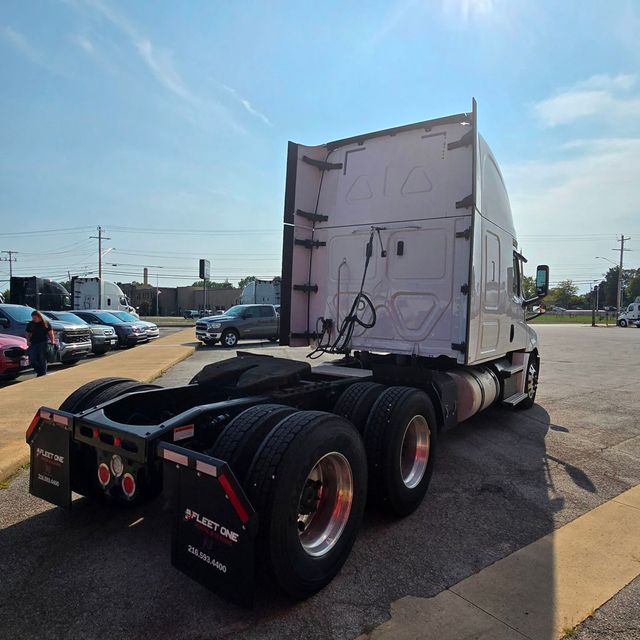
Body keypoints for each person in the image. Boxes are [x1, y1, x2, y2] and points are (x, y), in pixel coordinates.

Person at [26, 310, 56, 377]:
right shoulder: (31, 324)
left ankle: (42, 374)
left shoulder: (46, 323)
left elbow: (51, 333)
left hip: (43, 343)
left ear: (39, 317)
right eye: (33, 318)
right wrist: (28, 341)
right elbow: (28, 333)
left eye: (35, 318)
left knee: (42, 359)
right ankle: (40, 371)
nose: (34, 319)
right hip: (33, 343)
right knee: (32, 359)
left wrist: (52, 342)